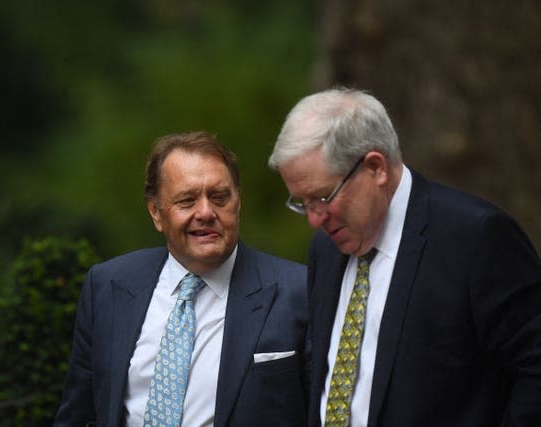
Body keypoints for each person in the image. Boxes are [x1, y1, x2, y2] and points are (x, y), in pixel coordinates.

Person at [268, 88, 541, 427]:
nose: (314, 219)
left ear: (376, 168)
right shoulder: (326, 249)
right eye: (302, 203)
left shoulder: (475, 238)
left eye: (323, 197)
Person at [54, 131, 310, 427]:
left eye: (219, 197)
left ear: (238, 202)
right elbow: (78, 414)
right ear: (156, 213)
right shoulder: (109, 286)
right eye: (187, 200)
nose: (205, 212)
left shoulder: (298, 291)